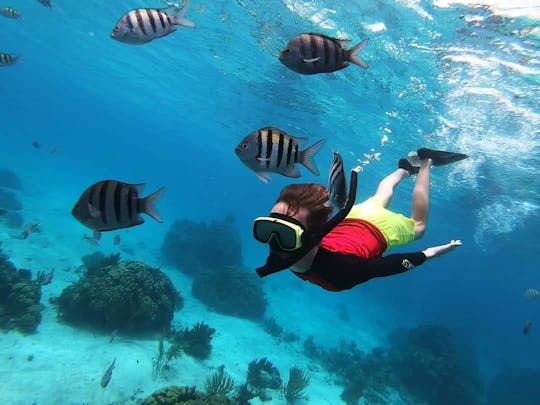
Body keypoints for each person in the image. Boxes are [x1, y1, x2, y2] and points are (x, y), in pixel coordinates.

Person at [252, 148, 468, 292]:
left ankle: (426, 162)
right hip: (353, 215)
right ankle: (405, 168)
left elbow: (395, 264)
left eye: (286, 234)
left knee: (419, 227)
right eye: (268, 228)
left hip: (382, 230)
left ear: (317, 234)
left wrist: (432, 253)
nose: (273, 242)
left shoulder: (343, 273)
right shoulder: (285, 252)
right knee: (380, 197)